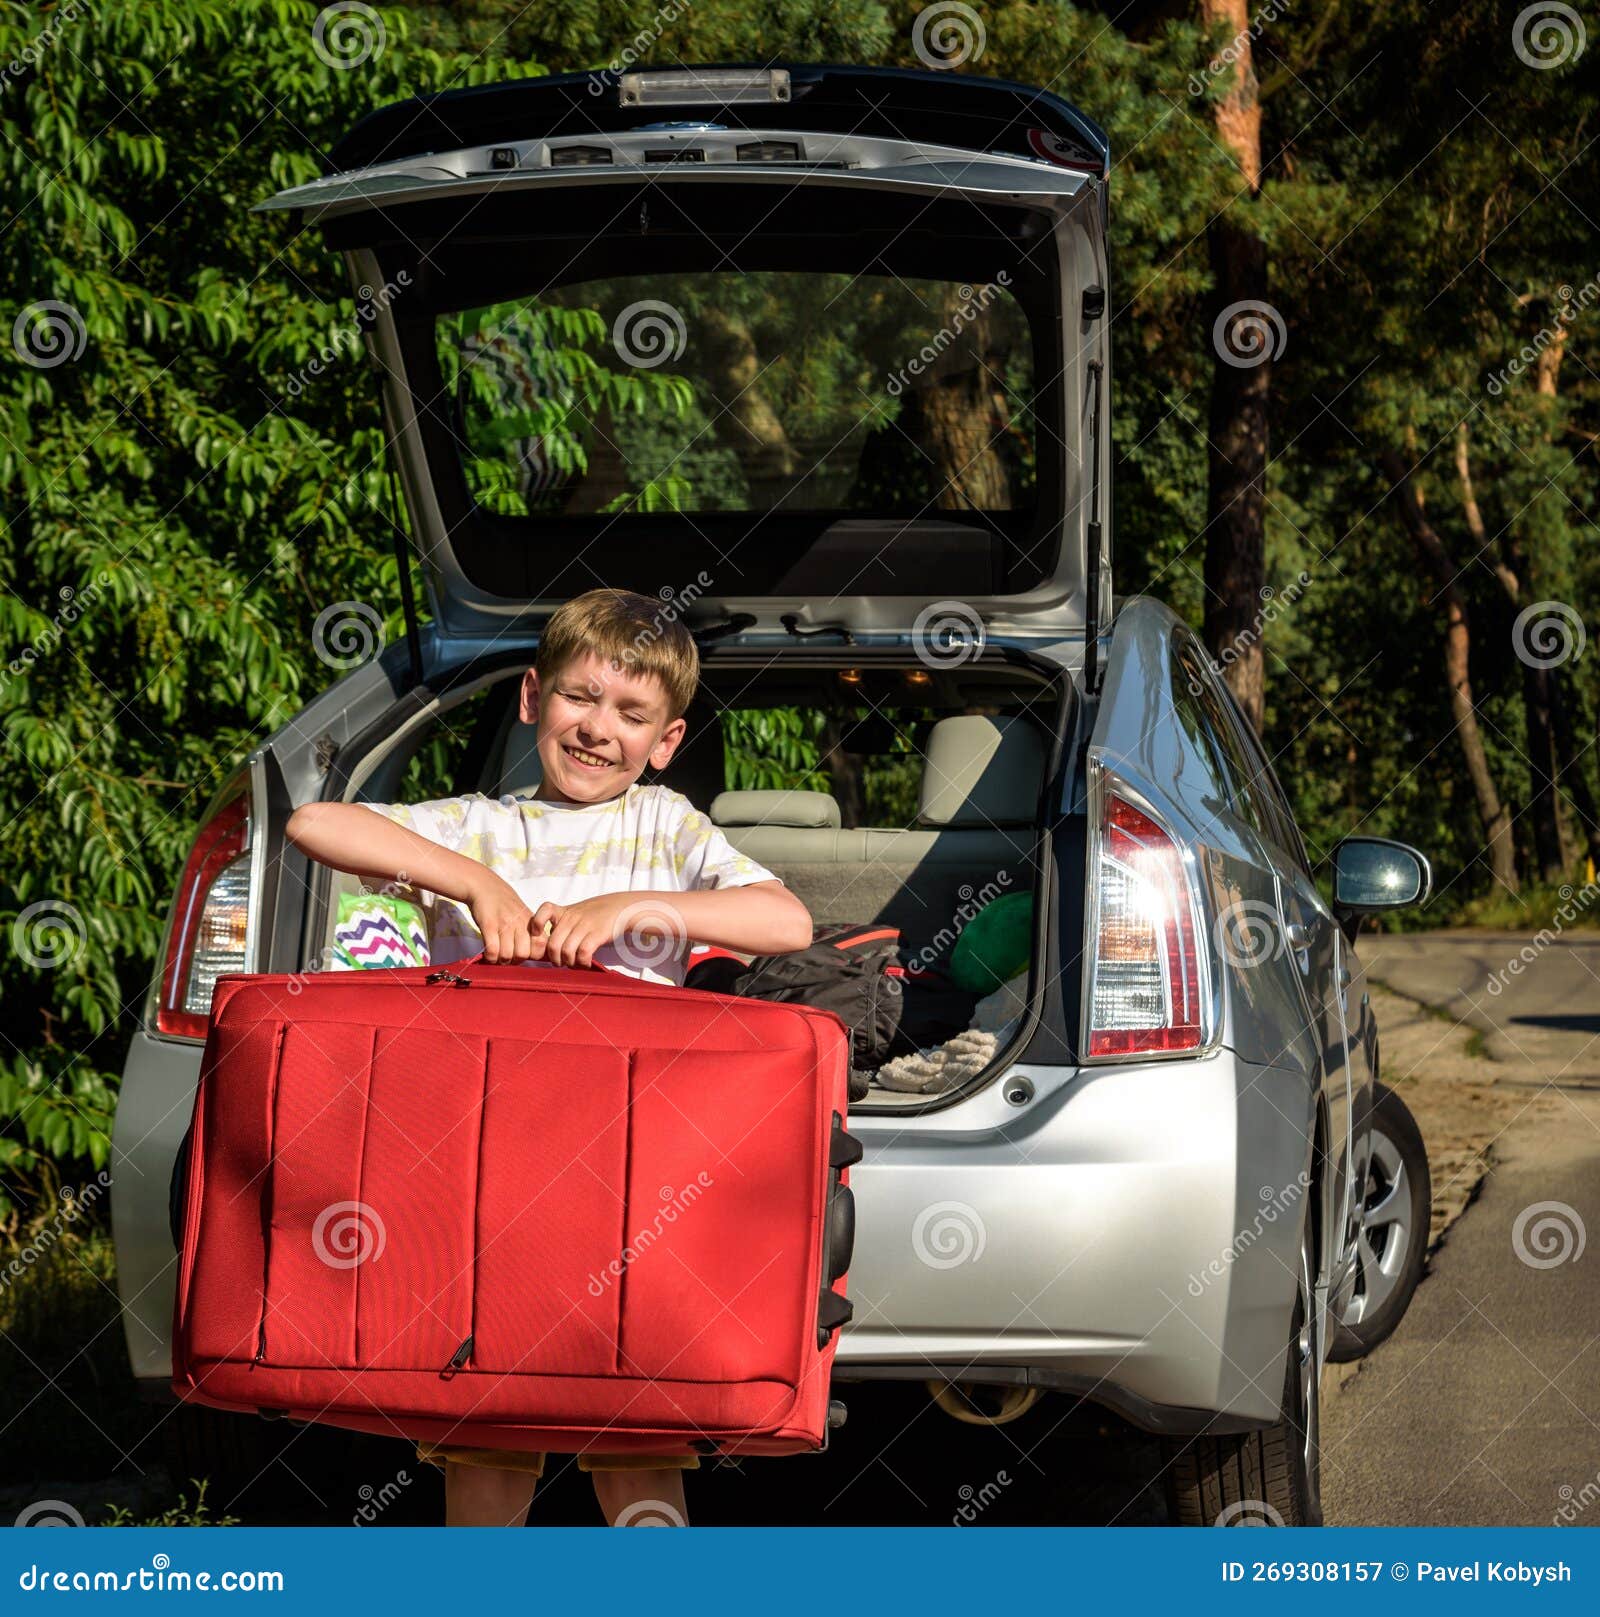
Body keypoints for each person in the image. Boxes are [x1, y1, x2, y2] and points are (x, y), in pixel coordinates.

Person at [285, 587, 813, 1526]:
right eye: (579, 697)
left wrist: (637, 909)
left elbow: (786, 919)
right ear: (532, 697)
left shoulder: (664, 829)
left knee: (636, 1439)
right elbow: (316, 825)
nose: (597, 727)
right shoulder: (477, 827)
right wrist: (473, 883)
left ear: (666, 740)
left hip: (631, 1182)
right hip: (483, 1180)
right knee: (487, 1441)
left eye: (630, 713)